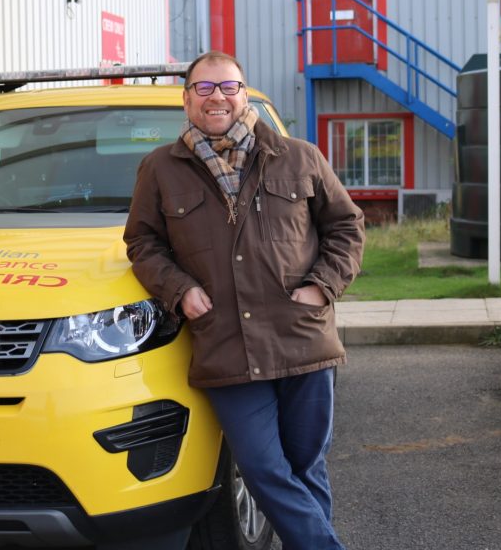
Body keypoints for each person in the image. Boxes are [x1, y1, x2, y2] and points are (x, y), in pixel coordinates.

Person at [123, 51, 364, 550]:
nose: (217, 98)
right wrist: (179, 289)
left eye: (228, 87)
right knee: (263, 467)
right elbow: (143, 243)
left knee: (304, 464)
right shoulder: (160, 170)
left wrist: (322, 285)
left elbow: (346, 226)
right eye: (204, 88)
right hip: (226, 346)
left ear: (244, 93)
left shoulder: (299, 156)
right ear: (187, 99)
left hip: (303, 339)